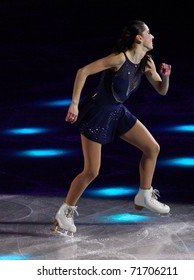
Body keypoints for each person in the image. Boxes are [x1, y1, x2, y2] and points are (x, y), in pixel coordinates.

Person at [51, 20, 172, 236]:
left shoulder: (146, 62)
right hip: (97, 113)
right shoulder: (118, 58)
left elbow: (161, 91)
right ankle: (64, 212)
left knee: (152, 148)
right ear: (138, 38)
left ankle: (144, 195)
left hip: (117, 112)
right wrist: (74, 104)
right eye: (148, 33)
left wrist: (165, 77)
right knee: (91, 171)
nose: (152, 36)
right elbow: (83, 71)